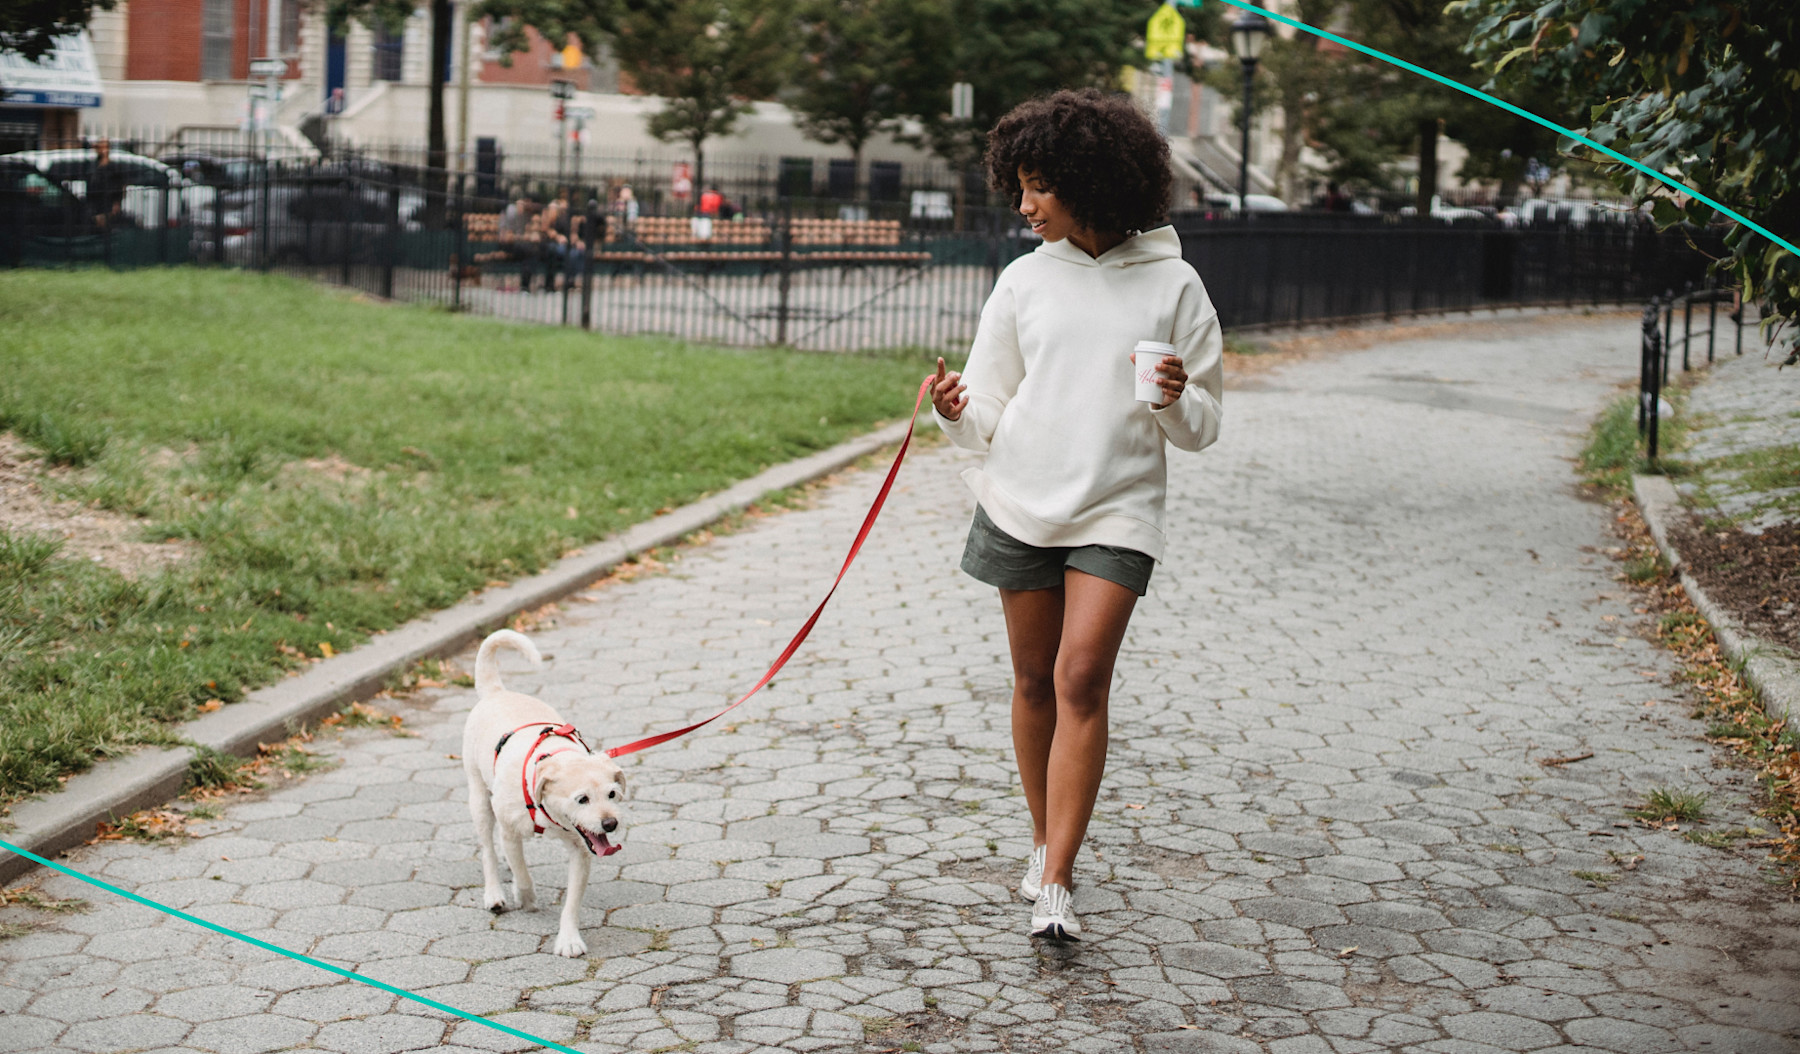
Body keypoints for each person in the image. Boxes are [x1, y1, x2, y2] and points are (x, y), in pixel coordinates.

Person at [926, 88, 1223, 941]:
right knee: (1032, 682)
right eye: (1018, 186)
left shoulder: (1174, 283)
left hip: (1118, 509)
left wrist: (1175, 398)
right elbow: (987, 408)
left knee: (1080, 678)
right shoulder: (1024, 279)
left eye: (1039, 187)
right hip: (1019, 501)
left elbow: (1204, 425)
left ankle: (1057, 880)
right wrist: (954, 410)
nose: (1023, 206)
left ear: (1090, 182)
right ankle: (1041, 840)